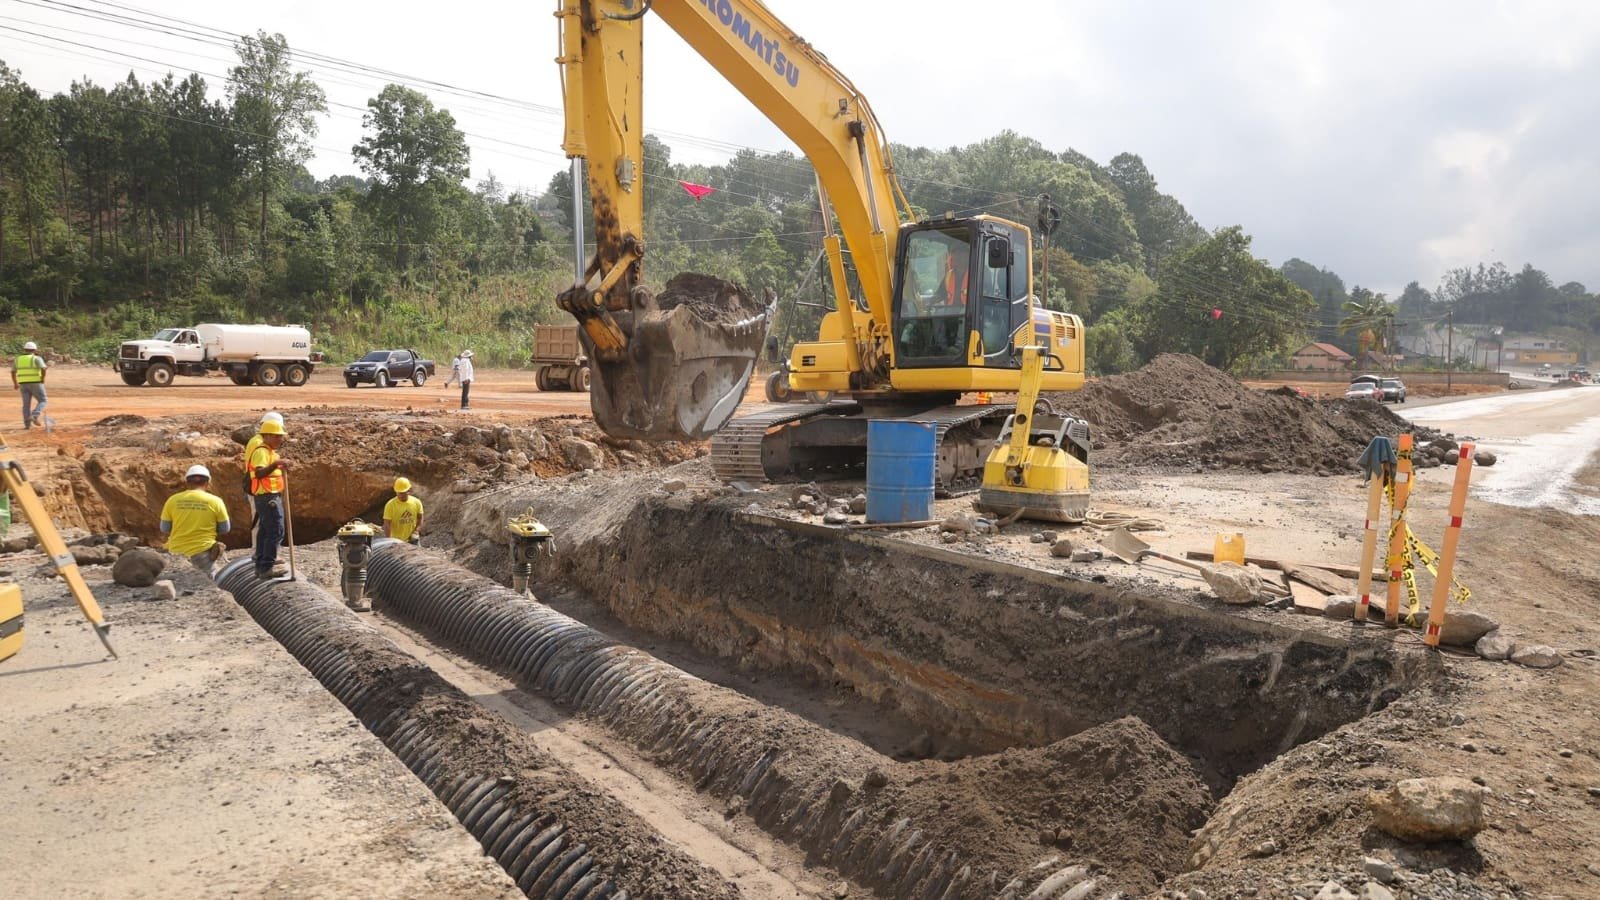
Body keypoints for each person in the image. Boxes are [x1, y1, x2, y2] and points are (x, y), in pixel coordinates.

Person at [159, 464, 231, 579]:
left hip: (176, 553)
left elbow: (165, 528)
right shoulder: (216, 501)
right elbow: (225, 529)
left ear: (187, 482)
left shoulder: (172, 500)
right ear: (208, 483)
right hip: (203, 552)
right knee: (213, 580)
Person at [247, 418, 289, 579]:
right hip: (267, 497)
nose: (280, 439)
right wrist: (276, 464)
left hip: (269, 496)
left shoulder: (270, 453)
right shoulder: (261, 452)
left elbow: (272, 472)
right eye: (277, 436)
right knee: (276, 530)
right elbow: (259, 473)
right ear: (267, 436)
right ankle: (266, 567)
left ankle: (260, 565)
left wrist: (279, 465)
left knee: (264, 531)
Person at [241, 411, 284, 499]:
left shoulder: (260, 441)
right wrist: (276, 464)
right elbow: (259, 469)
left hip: (263, 488)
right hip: (259, 488)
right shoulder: (259, 443)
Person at [11, 340, 48, 430]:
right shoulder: (36, 358)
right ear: (35, 350)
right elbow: (44, 368)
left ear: (25, 349)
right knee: (43, 400)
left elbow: (12, 372)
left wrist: (15, 383)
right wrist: (42, 378)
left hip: (23, 384)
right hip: (36, 382)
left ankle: (27, 425)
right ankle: (35, 415)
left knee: (26, 405)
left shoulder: (18, 359)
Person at [383, 477, 425, 545]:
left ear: (409, 491)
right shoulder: (390, 505)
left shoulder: (416, 502)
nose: (400, 495)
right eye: (398, 492)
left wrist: (416, 531)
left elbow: (420, 518)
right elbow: (387, 524)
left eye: (403, 493)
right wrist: (389, 540)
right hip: (396, 541)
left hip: (412, 540)